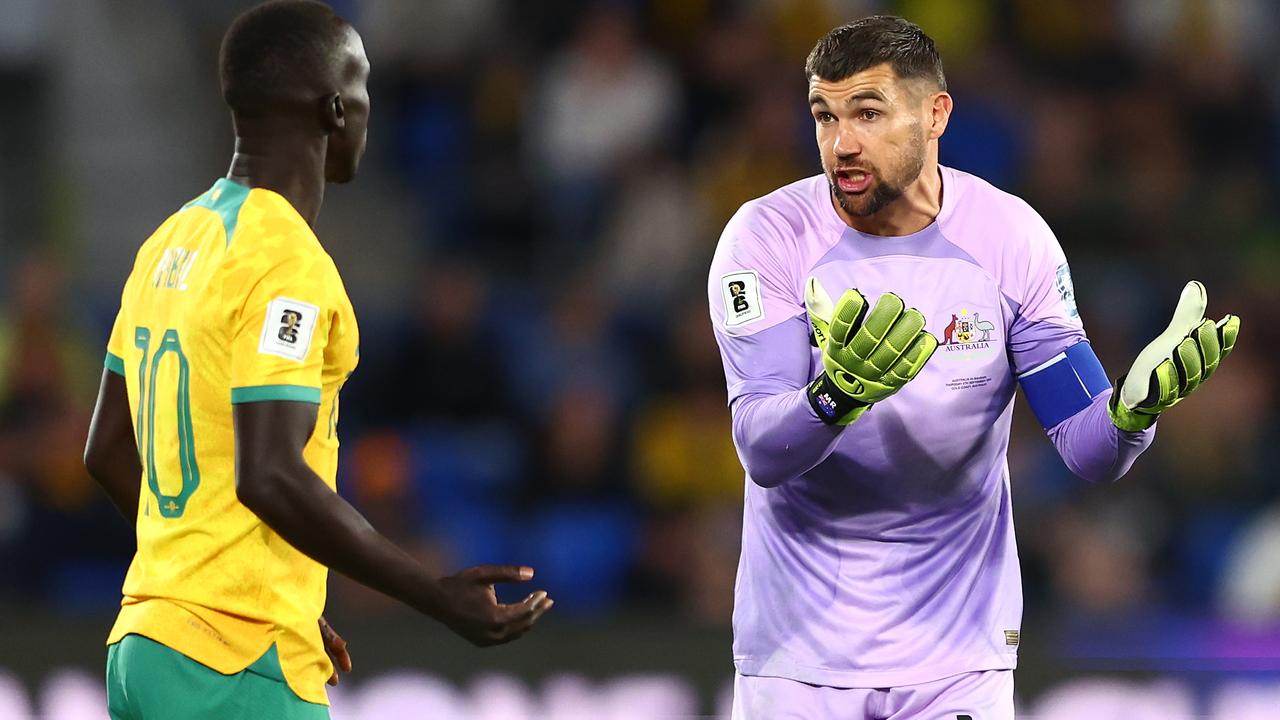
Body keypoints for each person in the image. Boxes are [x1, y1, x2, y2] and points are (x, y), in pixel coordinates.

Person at [707, 15, 1240, 719]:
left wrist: (1130, 417)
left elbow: (1087, 447)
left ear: (936, 115)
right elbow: (762, 448)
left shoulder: (1009, 236)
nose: (841, 143)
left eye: (867, 113)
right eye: (824, 115)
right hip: (797, 662)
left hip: (958, 663)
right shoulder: (767, 236)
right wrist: (835, 396)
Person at [83, 3, 552, 718]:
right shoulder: (286, 264)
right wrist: (432, 592)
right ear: (337, 108)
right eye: (364, 86)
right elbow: (271, 474)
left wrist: (260, 582)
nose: (369, 108)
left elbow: (108, 449)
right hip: (231, 664)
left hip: (146, 646)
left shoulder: (170, 242)